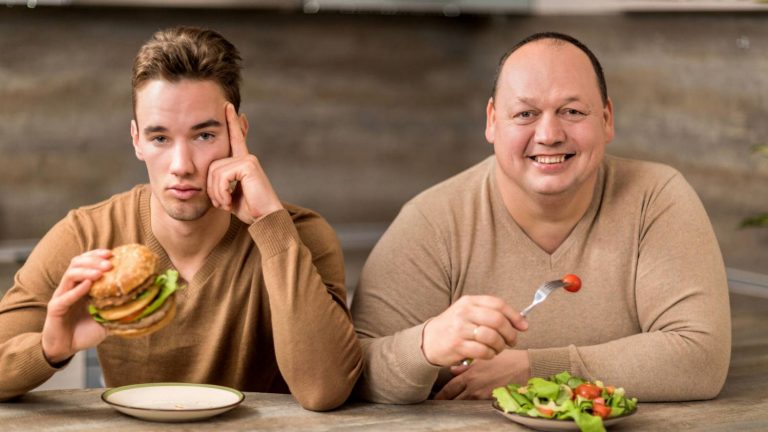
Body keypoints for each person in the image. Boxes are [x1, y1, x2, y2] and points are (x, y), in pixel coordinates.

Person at [351, 31, 731, 403]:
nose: (549, 134)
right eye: (526, 113)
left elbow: (700, 358)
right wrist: (426, 344)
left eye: (572, 111)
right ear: (492, 121)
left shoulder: (656, 197)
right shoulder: (433, 220)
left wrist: (534, 369)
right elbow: (355, 370)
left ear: (607, 118)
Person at [0, 26, 362, 411]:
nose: (181, 166)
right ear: (137, 140)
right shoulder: (88, 235)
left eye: (204, 136)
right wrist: (50, 348)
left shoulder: (301, 235)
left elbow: (325, 390)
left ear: (237, 132)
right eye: (160, 139)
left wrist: (270, 222)